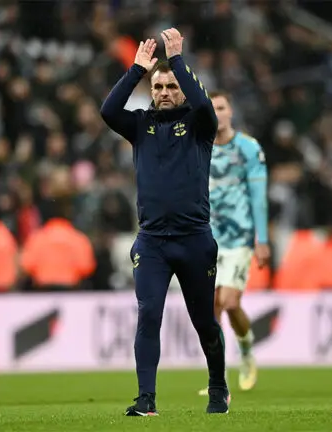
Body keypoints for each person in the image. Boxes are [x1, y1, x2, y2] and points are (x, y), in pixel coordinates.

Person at [99, 29, 229, 416]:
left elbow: (205, 104)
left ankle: (218, 386)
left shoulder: (199, 125)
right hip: (153, 242)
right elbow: (108, 111)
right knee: (148, 314)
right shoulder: (139, 125)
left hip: (194, 241)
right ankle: (146, 399)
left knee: (204, 322)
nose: (166, 91)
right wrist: (136, 69)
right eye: (159, 86)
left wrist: (177, 62)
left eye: (172, 85)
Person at [196, 90, 269, 397]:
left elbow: (257, 194)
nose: (218, 113)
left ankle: (247, 351)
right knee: (211, 308)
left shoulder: (248, 148)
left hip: (239, 236)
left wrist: (262, 239)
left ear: (231, 112)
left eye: (222, 107)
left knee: (229, 302)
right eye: (212, 108)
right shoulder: (200, 146)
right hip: (207, 237)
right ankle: (218, 377)